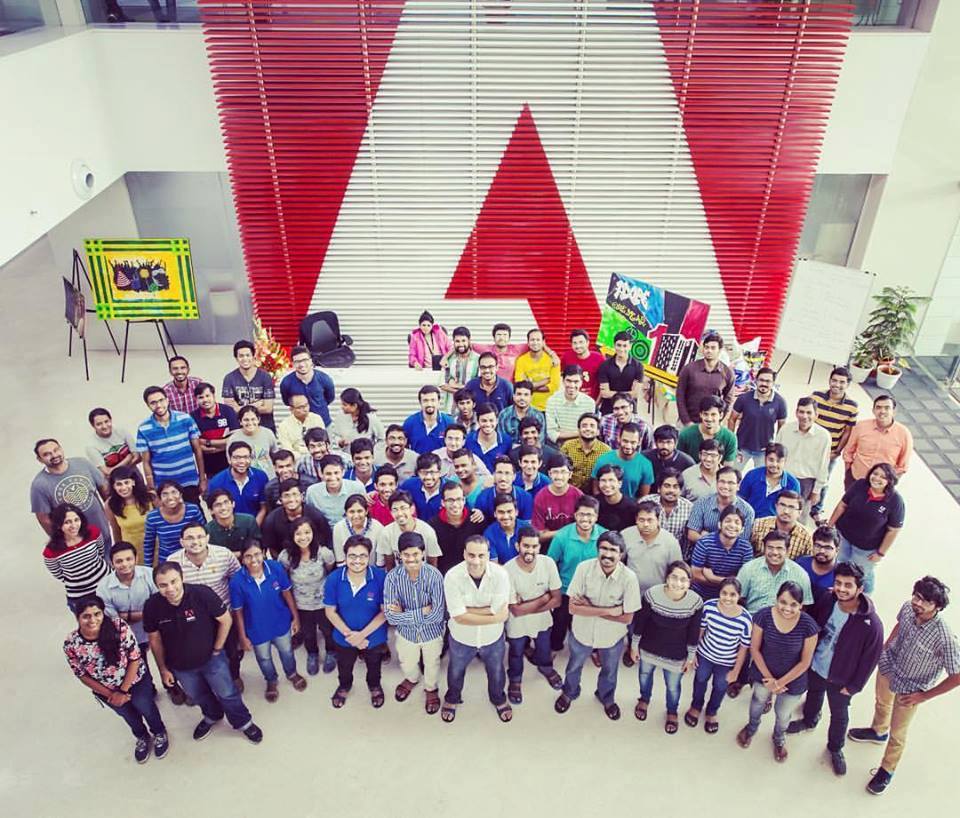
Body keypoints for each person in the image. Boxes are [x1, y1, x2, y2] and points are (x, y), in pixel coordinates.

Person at [848, 576, 960, 795]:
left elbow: (957, 676)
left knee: (898, 733)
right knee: (882, 702)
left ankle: (887, 770)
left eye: (926, 601)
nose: (918, 603)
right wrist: (885, 647)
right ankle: (878, 731)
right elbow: (900, 624)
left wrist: (923, 696)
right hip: (889, 667)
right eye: (917, 596)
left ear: (937, 607)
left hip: (912, 688)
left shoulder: (945, 637)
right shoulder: (908, 608)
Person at [144, 562, 262, 743]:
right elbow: (154, 640)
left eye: (174, 581)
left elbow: (226, 620)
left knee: (227, 693)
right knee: (198, 695)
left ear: (182, 578)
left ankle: (243, 722)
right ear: (156, 586)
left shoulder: (202, 594)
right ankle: (212, 715)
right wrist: (163, 669)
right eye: (163, 585)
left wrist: (218, 648)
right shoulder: (152, 606)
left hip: (212, 659)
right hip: (180, 666)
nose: (170, 589)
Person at [786, 562, 884, 776]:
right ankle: (809, 719)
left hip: (841, 679)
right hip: (816, 664)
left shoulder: (871, 625)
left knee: (839, 715)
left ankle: (835, 748)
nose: (841, 589)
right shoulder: (827, 599)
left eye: (848, 585)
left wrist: (854, 686)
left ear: (860, 588)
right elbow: (812, 624)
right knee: (814, 694)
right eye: (838, 583)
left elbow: (870, 660)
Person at [63, 595, 168, 763]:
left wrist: (122, 691)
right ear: (77, 617)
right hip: (107, 692)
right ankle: (141, 736)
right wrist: (111, 695)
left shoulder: (119, 627)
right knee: (128, 716)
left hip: (135, 681)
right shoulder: (71, 643)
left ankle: (159, 732)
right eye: (86, 616)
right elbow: (81, 674)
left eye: (97, 614)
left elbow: (135, 658)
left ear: (103, 613)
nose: (93, 620)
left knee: (146, 708)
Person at [555, 531, 641, 720]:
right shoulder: (583, 569)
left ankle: (606, 698)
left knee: (610, 671)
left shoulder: (629, 578)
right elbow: (573, 608)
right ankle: (569, 692)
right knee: (573, 666)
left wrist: (589, 607)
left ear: (621, 554)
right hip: (582, 633)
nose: (607, 554)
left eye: (613, 550)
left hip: (612, 637)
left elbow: (627, 618)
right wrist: (611, 611)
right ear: (597, 549)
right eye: (604, 548)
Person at [735, 581, 819, 762]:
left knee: (783, 714)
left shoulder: (809, 626)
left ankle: (779, 738)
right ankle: (751, 727)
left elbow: (805, 662)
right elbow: (754, 648)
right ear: (776, 599)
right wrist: (770, 679)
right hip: (763, 673)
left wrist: (779, 683)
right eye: (783, 602)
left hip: (793, 680)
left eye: (793, 604)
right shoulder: (763, 616)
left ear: (801, 605)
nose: (787, 608)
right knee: (758, 702)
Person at [441, 534, 513, 723]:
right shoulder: (452, 576)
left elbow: (493, 609)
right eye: (471, 555)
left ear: (488, 555)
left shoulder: (501, 575)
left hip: (492, 638)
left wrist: (466, 611)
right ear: (464, 554)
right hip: (461, 638)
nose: (476, 561)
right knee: (455, 671)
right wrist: (494, 616)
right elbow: (458, 617)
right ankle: (452, 698)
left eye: (481, 556)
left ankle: (498, 699)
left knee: (496, 671)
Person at [166, 521, 245, 689]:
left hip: (224, 614)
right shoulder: (173, 561)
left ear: (207, 538)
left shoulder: (224, 555)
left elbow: (238, 581)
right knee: (200, 652)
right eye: (190, 538)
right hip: (194, 619)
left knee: (232, 650)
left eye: (200, 536)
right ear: (181, 542)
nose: (196, 542)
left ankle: (235, 676)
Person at [229, 541, 307, 702]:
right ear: (242, 559)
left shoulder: (276, 568)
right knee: (264, 659)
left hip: (280, 623)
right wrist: (242, 637)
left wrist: (296, 618)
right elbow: (238, 612)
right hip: (257, 629)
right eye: (248, 556)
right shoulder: (237, 581)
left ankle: (292, 673)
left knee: (287, 651)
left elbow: (287, 594)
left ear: (264, 553)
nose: (253, 560)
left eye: (257, 554)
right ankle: (271, 680)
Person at [631, 561, 704, 733]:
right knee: (644, 676)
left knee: (673, 686)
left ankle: (672, 711)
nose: (678, 583)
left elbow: (693, 632)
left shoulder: (696, 602)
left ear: (689, 582)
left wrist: (691, 657)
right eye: (674, 577)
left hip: (676, 653)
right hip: (649, 647)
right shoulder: (652, 595)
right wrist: (634, 646)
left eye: (683, 580)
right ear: (666, 578)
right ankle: (644, 699)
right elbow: (640, 623)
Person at [384, 531, 447, 713]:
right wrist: (422, 611)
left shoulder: (434, 576)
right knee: (407, 662)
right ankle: (412, 679)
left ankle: (430, 688)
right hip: (406, 634)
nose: (411, 559)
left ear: (423, 553)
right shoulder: (392, 578)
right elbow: (391, 617)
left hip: (432, 633)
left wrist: (404, 613)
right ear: (399, 555)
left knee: (432, 663)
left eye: (415, 554)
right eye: (406, 554)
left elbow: (437, 615)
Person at [324, 535, 389, 709]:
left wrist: (361, 636)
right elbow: (330, 611)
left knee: (374, 664)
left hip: (373, 637)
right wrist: (351, 636)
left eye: (362, 556)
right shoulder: (334, 579)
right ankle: (344, 686)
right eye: (352, 556)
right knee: (344, 665)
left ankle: (374, 686)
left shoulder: (380, 577)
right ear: (345, 556)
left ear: (369, 556)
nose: (357, 561)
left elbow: (385, 613)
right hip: (343, 636)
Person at [504, 526, 563, 703]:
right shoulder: (507, 570)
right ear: (517, 546)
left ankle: (546, 668)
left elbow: (557, 600)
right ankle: (515, 679)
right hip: (517, 623)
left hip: (543, 619)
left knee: (544, 648)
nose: (530, 550)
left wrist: (527, 607)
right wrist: (543, 598)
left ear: (539, 547)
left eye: (534, 546)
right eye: (526, 546)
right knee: (516, 652)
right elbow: (515, 610)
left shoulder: (548, 563)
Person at [685, 577, 752, 734]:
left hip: (726, 661)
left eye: (732, 595)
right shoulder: (709, 607)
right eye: (724, 593)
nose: (727, 598)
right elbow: (700, 631)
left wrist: (736, 671)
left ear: (739, 596)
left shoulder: (745, 619)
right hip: (705, 655)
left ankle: (712, 712)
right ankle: (696, 706)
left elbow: (743, 648)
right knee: (700, 679)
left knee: (720, 686)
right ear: (719, 593)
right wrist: (693, 654)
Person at [829, 462, 905, 593]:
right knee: (840, 565)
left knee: (862, 574)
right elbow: (842, 505)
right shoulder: (860, 485)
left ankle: (866, 596)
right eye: (875, 474)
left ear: (890, 481)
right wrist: (830, 526)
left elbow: (893, 530)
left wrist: (880, 553)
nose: (877, 478)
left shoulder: (895, 501)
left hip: (866, 549)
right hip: (843, 536)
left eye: (883, 477)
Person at [547, 496, 606, 651]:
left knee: (592, 623)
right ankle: (555, 649)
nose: (585, 519)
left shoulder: (604, 536)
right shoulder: (562, 536)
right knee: (559, 623)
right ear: (575, 515)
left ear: (596, 517)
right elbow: (550, 564)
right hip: (566, 590)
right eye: (581, 514)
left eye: (590, 515)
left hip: (594, 590)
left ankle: (593, 650)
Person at [279, 516, 336, 674]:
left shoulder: (324, 553)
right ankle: (312, 654)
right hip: (301, 604)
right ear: (292, 535)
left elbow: (330, 571)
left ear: (313, 533)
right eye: (298, 533)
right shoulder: (286, 556)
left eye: (307, 532)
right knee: (308, 633)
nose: (303, 537)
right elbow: (285, 581)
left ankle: (331, 652)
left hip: (323, 603)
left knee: (328, 630)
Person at [31, 438, 111, 544]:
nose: (54, 455)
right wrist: (62, 540)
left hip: (103, 532)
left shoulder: (83, 463)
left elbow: (104, 489)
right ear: (39, 459)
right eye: (47, 454)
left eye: (56, 450)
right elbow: (44, 519)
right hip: (77, 544)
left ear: (61, 449)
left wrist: (113, 517)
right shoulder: (39, 485)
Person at [136, 387, 206, 505]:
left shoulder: (185, 419)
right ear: (148, 405)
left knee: (195, 513)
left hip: (189, 481)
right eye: (153, 403)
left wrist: (202, 479)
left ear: (167, 400)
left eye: (161, 400)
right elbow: (146, 462)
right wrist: (152, 489)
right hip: (164, 486)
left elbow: (198, 450)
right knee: (170, 516)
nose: (159, 405)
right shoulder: (144, 428)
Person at [810, 366, 858, 521]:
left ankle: (816, 510)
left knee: (823, 480)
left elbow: (848, 431)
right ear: (829, 381)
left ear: (848, 384)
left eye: (842, 382)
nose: (837, 384)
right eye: (834, 380)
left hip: (830, 452)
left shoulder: (852, 406)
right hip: (811, 446)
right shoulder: (816, 397)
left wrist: (837, 451)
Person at [43, 503, 108, 608]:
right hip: (80, 597)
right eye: (67, 522)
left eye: (76, 520)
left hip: (106, 586)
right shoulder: (50, 551)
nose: (73, 525)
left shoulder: (93, 532)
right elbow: (59, 574)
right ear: (58, 525)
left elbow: (101, 552)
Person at [843, 394, 913, 488]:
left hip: (881, 485)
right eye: (878, 407)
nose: (882, 411)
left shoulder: (904, 434)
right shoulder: (861, 426)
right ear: (873, 410)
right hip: (856, 479)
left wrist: (889, 485)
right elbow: (848, 452)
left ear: (894, 411)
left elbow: (902, 466)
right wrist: (848, 473)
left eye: (887, 408)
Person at [736, 531, 813, 616]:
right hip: (751, 618)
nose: (775, 552)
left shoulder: (800, 574)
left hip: (785, 621)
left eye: (779, 548)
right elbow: (737, 598)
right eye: (770, 548)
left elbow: (804, 606)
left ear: (787, 550)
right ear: (764, 548)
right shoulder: (748, 569)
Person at [776, 396, 831, 515]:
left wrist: (816, 491)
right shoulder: (786, 429)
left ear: (816, 415)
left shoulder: (823, 436)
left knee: (799, 516)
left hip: (806, 483)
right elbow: (776, 454)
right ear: (796, 413)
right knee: (777, 511)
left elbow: (823, 466)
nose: (804, 416)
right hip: (783, 478)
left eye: (809, 412)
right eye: (801, 412)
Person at [727, 367, 787, 470]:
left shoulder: (780, 402)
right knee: (733, 473)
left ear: (773, 383)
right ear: (756, 380)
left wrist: (775, 448)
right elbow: (732, 419)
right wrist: (732, 442)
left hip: (764, 450)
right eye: (761, 380)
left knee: (761, 477)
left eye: (768, 381)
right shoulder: (744, 398)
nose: (764, 383)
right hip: (741, 447)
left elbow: (782, 427)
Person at [690, 506, 754, 600]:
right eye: (728, 521)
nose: (732, 525)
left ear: (742, 529)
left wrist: (713, 578)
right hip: (700, 594)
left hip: (730, 596)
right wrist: (729, 580)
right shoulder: (704, 543)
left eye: (737, 523)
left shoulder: (746, 548)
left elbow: (743, 580)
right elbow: (696, 575)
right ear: (720, 524)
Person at [622, 501, 683, 598]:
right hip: (630, 592)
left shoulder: (670, 541)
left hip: (659, 595)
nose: (646, 524)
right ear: (636, 520)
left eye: (650, 520)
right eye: (641, 520)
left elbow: (677, 571)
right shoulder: (626, 535)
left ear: (658, 520)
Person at [262, 478, 332, 559]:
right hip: (287, 560)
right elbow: (272, 548)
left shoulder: (316, 516)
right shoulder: (271, 520)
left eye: (295, 494)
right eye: (286, 496)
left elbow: (326, 541)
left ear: (302, 496)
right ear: (280, 499)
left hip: (314, 558)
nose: (291, 499)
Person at [675, 332, 735, 426]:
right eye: (706, 347)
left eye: (713, 348)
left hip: (712, 425)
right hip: (687, 423)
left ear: (720, 350)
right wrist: (686, 421)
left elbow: (728, 400)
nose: (709, 351)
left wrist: (718, 420)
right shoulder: (689, 369)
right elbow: (680, 395)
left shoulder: (727, 373)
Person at [686, 466, 755, 547]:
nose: (725, 486)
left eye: (730, 483)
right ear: (716, 483)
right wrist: (712, 545)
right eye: (722, 481)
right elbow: (692, 534)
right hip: (704, 550)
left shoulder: (747, 511)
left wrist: (707, 538)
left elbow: (743, 542)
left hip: (732, 553)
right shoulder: (702, 503)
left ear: (738, 486)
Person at [142, 481, 206, 568]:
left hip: (193, 560)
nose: (170, 497)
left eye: (174, 492)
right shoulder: (153, 517)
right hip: (168, 562)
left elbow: (204, 533)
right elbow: (149, 544)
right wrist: (148, 568)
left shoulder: (193, 510)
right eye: (165, 494)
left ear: (180, 494)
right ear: (160, 498)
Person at [428, 482, 486, 575]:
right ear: (443, 502)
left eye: (459, 499)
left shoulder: (476, 520)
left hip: (472, 574)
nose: (455, 504)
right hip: (445, 576)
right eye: (450, 500)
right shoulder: (433, 526)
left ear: (464, 500)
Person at [376, 491, 442, 570]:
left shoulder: (428, 531)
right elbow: (390, 565)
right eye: (395, 509)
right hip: (399, 574)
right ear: (390, 512)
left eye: (403, 508)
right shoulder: (386, 533)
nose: (399, 513)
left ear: (412, 509)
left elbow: (432, 563)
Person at [207, 441, 269, 524]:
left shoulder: (261, 477)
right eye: (237, 457)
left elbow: (263, 508)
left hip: (256, 525)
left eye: (246, 457)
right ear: (229, 459)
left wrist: (253, 528)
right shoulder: (216, 482)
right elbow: (216, 512)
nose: (242, 461)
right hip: (229, 527)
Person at [222, 339, 277, 431]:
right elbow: (231, 410)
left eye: (248, 355)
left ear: (254, 356)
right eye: (241, 356)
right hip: (241, 428)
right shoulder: (229, 378)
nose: (245, 359)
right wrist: (257, 404)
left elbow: (268, 408)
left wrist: (240, 408)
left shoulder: (265, 376)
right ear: (236, 358)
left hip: (265, 427)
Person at [105, 466, 155, 564]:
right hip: (132, 552)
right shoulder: (110, 504)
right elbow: (116, 531)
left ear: (133, 482)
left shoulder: (150, 497)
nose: (123, 488)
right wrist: (119, 553)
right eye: (119, 484)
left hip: (155, 547)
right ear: (113, 486)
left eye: (126, 482)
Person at [737, 443, 802, 519]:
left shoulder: (793, 484)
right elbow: (740, 500)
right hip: (750, 520)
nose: (774, 464)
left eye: (779, 461)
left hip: (776, 523)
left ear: (785, 462)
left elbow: (792, 511)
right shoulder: (752, 475)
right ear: (765, 459)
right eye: (771, 460)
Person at [590, 423, 654, 498]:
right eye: (625, 441)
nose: (628, 446)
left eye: (633, 442)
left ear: (639, 442)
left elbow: (643, 497)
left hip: (632, 504)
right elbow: (596, 489)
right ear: (619, 438)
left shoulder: (645, 464)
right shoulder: (603, 459)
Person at [191, 383, 240, 477]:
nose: (205, 400)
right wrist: (223, 444)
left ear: (213, 395)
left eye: (207, 396)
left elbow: (235, 439)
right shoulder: (193, 417)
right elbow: (197, 446)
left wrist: (207, 442)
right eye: (201, 397)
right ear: (196, 399)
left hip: (231, 465)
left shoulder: (228, 411)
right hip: (209, 469)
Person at [280, 345, 336, 426]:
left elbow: (330, 398)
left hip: (323, 424)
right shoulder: (286, 383)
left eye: (305, 360)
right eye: (297, 361)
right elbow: (287, 402)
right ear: (292, 364)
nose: (302, 364)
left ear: (311, 361)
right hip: (299, 425)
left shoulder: (324, 379)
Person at [305, 454, 367, 528]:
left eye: (336, 473)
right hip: (324, 530)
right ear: (321, 473)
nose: (333, 477)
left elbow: (364, 514)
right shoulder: (312, 492)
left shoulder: (357, 488)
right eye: (328, 474)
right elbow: (310, 517)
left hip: (351, 529)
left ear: (343, 472)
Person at [532, 455, 583, 543]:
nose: (559, 476)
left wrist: (549, 533)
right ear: (549, 474)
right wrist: (566, 532)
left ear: (570, 474)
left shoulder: (578, 495)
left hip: (574, 542)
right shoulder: (540, 497)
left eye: (563, 472)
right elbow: (539, 535)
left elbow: (584, 528)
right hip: (549, 544)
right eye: (555, 472)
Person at [749, 491, 813, 559]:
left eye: (791, 507)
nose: (786, 511)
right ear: (776, 506)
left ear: (799, 512)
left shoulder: (806, 537)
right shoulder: (758, 525)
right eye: (782, 505)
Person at [677, 396, 738, 465]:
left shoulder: (730, 438)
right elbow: (679, 461)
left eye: (713, 414)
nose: (709, 419)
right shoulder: (686, 434)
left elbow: (727, 466)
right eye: (705, 414)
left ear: (721, 415)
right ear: (700, 414)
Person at [597, 332, 646, 416]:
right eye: (619, 345)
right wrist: (628, 393)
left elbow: (635, 394)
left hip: (629, 411)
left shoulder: (638, 366)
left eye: (625, 346)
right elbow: (604, 394)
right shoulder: (605, 365)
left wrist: (611, 393)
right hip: (608, 410)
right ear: (614, 345)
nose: (621, 349)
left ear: (630, 346)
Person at [204, 488, 261, 557]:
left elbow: (258, 547)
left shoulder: (249, 521)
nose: (223, 508)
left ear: (233, 504)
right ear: (211, 511)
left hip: (248, 559)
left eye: (226, 502)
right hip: (221, 562)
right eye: (218, 505)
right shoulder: (208, 530)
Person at [546, 365, 596, 443]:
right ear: (563, 381)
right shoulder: (552, 401)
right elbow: (552, 434)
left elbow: (589, 432)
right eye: (568, 381)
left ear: (581, 383)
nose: (572, 385)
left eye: (576, 382)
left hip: (582, 444)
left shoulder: (589, 403)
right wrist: (579, 433)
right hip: (558, 446)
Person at [560, 413, 610, 492]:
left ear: (598, 431)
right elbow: (560, 470)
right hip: (570, 491)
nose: (588, 429)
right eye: (584, 426)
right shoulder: (568, 446)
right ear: (578, 430)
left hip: (595, 493)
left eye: (592, 426)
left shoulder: (606, 451)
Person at [474, 456, 534, 521]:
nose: (503, 478)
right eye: (499, 473)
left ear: (514, 476)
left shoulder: (525, 497)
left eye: (507, 473)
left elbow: (527, 524)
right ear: (493, 474)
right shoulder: (483, 498)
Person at [513, 328, 560, 411]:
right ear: (528, 342)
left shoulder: (553, 360)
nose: (535, 343)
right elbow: (520, 385)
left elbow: (554, 386)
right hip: (527, 407)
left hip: (548, 407)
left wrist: (529, 386)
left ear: (543, 342)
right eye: (532, 340)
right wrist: (544, 381)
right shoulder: (521, 360)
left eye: (538, 340)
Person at [85, 407, 140, 478]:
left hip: (134, 475)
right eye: (99, 424)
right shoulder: (91, 445)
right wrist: (128, 458)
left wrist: (114, 469)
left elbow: (137, 457)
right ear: (93, 426)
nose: (104, 426)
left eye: (106, 421)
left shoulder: (122, 431)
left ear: (111, 420)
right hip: (114, 481)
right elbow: (107, 472)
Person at [646, 470, 693, 552]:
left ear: (680, 491)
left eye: (675, 487)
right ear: (659, 488)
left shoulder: (689, 508)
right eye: (667, 486)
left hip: (677, 555)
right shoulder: (646, 502)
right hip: (650, 552)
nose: (671, 490)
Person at [332, 494, 384, 565]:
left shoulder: (378, 528)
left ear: (366, 511)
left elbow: (380, 561)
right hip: (348, 569)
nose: (356, 516)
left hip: (371, 569)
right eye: (352, 512)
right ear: (346, 512)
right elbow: (340, 560)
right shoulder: (338, 528)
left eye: (360, 511)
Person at [228, 406, 279, 478]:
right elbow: (231, 462)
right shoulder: (234, 438)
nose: (250, 423)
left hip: (269, 477)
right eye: (246, 420)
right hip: (246, 478)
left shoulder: (268, 433)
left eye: (253, 419)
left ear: (258, 420)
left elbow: (275, 454)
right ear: (240, 422)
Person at [403, 385, 454, 455]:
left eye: (433, 400)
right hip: (417, 461)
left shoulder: (449, 422)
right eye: (425, 401)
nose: (429, 404)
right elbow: (404, 448)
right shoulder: (410, 423)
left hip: (442, 462)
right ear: (420, 402)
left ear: (439, 402)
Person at [796, 525, 840, 604]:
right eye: (818, 546)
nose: (822, 551)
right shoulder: (801, 564)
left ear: (837, 550)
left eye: (827, 547)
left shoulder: (841, 573)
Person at [440, 326, 480, 413]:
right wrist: (463, 390)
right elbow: (442, 384)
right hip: (450, 409)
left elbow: (479, 385)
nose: (461, 344)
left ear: (469, 341)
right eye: (457, 341)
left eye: (463, 341)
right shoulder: (448, 360)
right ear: (453, 342)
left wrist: (455, 386)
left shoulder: (478, 359)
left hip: (471, 411)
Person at [642, 425, 694, 490]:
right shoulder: (645, 457)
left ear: (675, 443)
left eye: (669, 442)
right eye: (661, 442)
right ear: (655, 442)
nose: (665, 446)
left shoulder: (687, 462)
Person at [483, 493, 530, 564]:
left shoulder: (527, 528)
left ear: (516, 512)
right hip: (500, 570)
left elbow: (531, 557)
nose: (505, 516)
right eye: (501, 512)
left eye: (509, 511)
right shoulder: (489, 534)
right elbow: (494, 564)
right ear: (495, 514)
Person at [466, 403, 512, 473]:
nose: (488, 424)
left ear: (497, 420)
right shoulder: (469, 439)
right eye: (484, 421)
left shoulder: (506, 440)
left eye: (491, 420)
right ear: (478, 421)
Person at [497, 380, 546, 445]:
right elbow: (501, 441)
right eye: (519, 394)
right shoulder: (504, 415)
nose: (522, 398)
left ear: (531, 397)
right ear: (513, 396)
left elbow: (540, 441)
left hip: (532, 450)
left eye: (526, 395)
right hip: (509, 450)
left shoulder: (538, 416)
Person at [560, 328, 605, 399]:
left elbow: (603, 384)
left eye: (581, 342)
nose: (578, 346)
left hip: (592, 401)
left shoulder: (599, 359)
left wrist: (596, 403)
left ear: (587, 342)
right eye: (575, 343)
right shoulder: (567, 357)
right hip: (571, 400)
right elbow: (560, 379)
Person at [399, 452, 445, 520]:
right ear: (418, 473)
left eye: (432, 472)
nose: (428, 477)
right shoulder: (408, 486)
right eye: (424, 473)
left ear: (440, 473)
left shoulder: (449, 489)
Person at [594, 463, 637, 532]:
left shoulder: (632, 506)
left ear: (620, 483)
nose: (607, 485)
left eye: (611, 480)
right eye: (603, 480)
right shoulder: (594, 503)